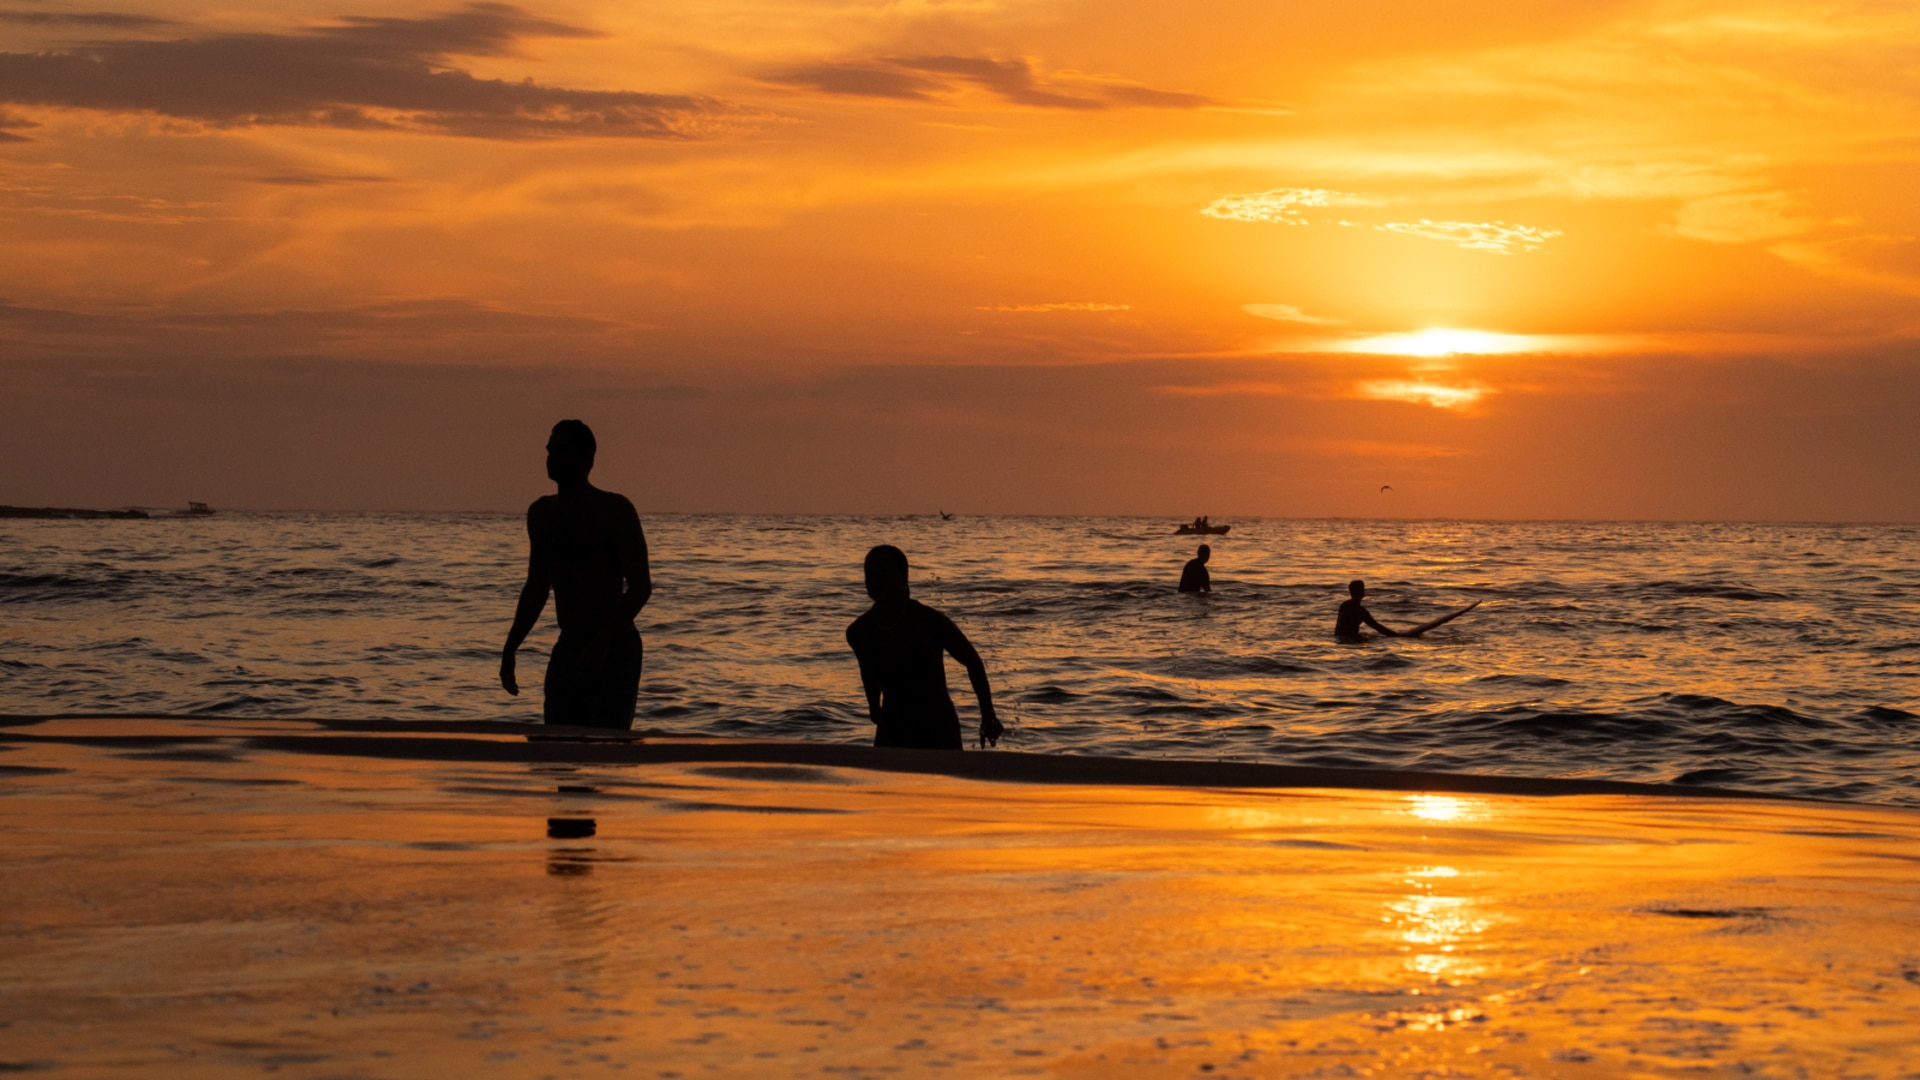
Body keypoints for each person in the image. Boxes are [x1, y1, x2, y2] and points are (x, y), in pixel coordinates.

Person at [500, 419, 652, 728]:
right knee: (558, 748)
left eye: (562, 450)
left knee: (605, 749)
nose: (552, 457)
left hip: (615, 648)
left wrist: (602, 643)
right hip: (569, 645)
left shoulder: (614, 509)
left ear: (588, 458)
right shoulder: (541, 513)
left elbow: (640, 587)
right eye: (550, 450)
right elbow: (537, 587)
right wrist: (510, 647)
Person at [846, 544, 1003, 749]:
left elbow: (972, 661)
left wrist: (988, 715)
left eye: (883, 571)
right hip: (892, 726)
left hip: (937, 725)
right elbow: (868, 673)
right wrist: (874, 708)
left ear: (904, 577)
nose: (875, 579)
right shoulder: (859, 631)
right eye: (870, 574)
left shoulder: (929, 621)